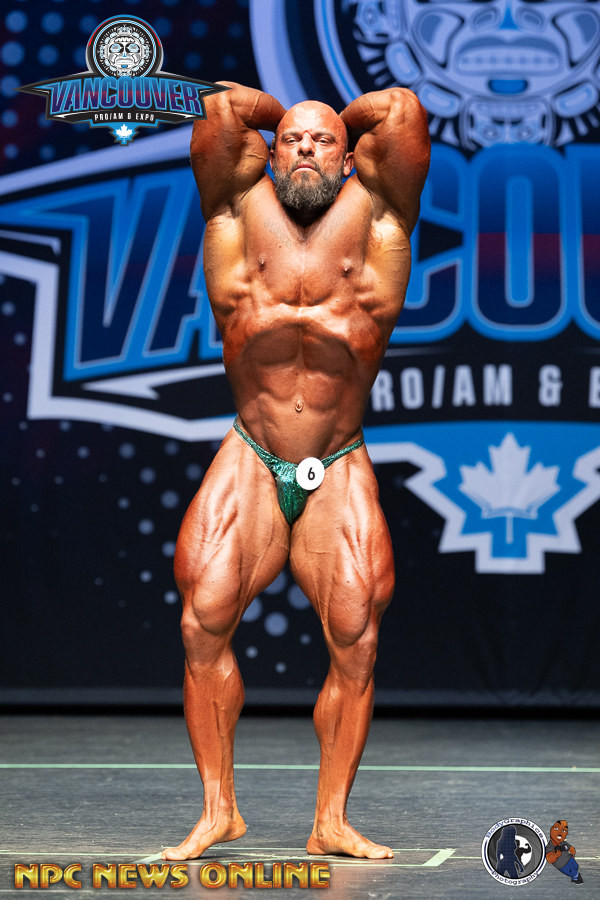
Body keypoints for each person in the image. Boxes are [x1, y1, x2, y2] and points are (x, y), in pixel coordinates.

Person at [161, 81, 430, 861]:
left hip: (337, 458)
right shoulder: (234, 208)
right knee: (202, 619)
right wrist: (290, 119)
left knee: (356, 635)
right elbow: (218, 108)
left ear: (349, 158)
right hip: (252, 450)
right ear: (270, 154)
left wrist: (326, 121)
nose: (306, 148)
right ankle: (218, 810)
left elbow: (402, 110)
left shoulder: (379, 216)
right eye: (292, 142)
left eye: (322, 142)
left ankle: (331, 821)